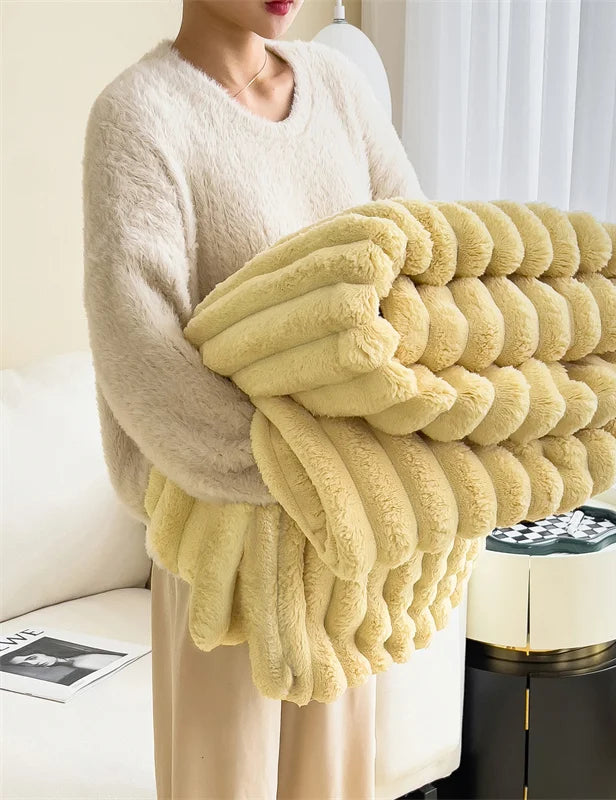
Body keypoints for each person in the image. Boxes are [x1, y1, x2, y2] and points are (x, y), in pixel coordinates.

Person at [81, 1, 426, 797]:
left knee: (335, 785)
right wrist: (312, 467)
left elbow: (421, 265)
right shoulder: (138, 116)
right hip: (221, 538)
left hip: (344, 541)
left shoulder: (338, 88)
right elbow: (139, 352)